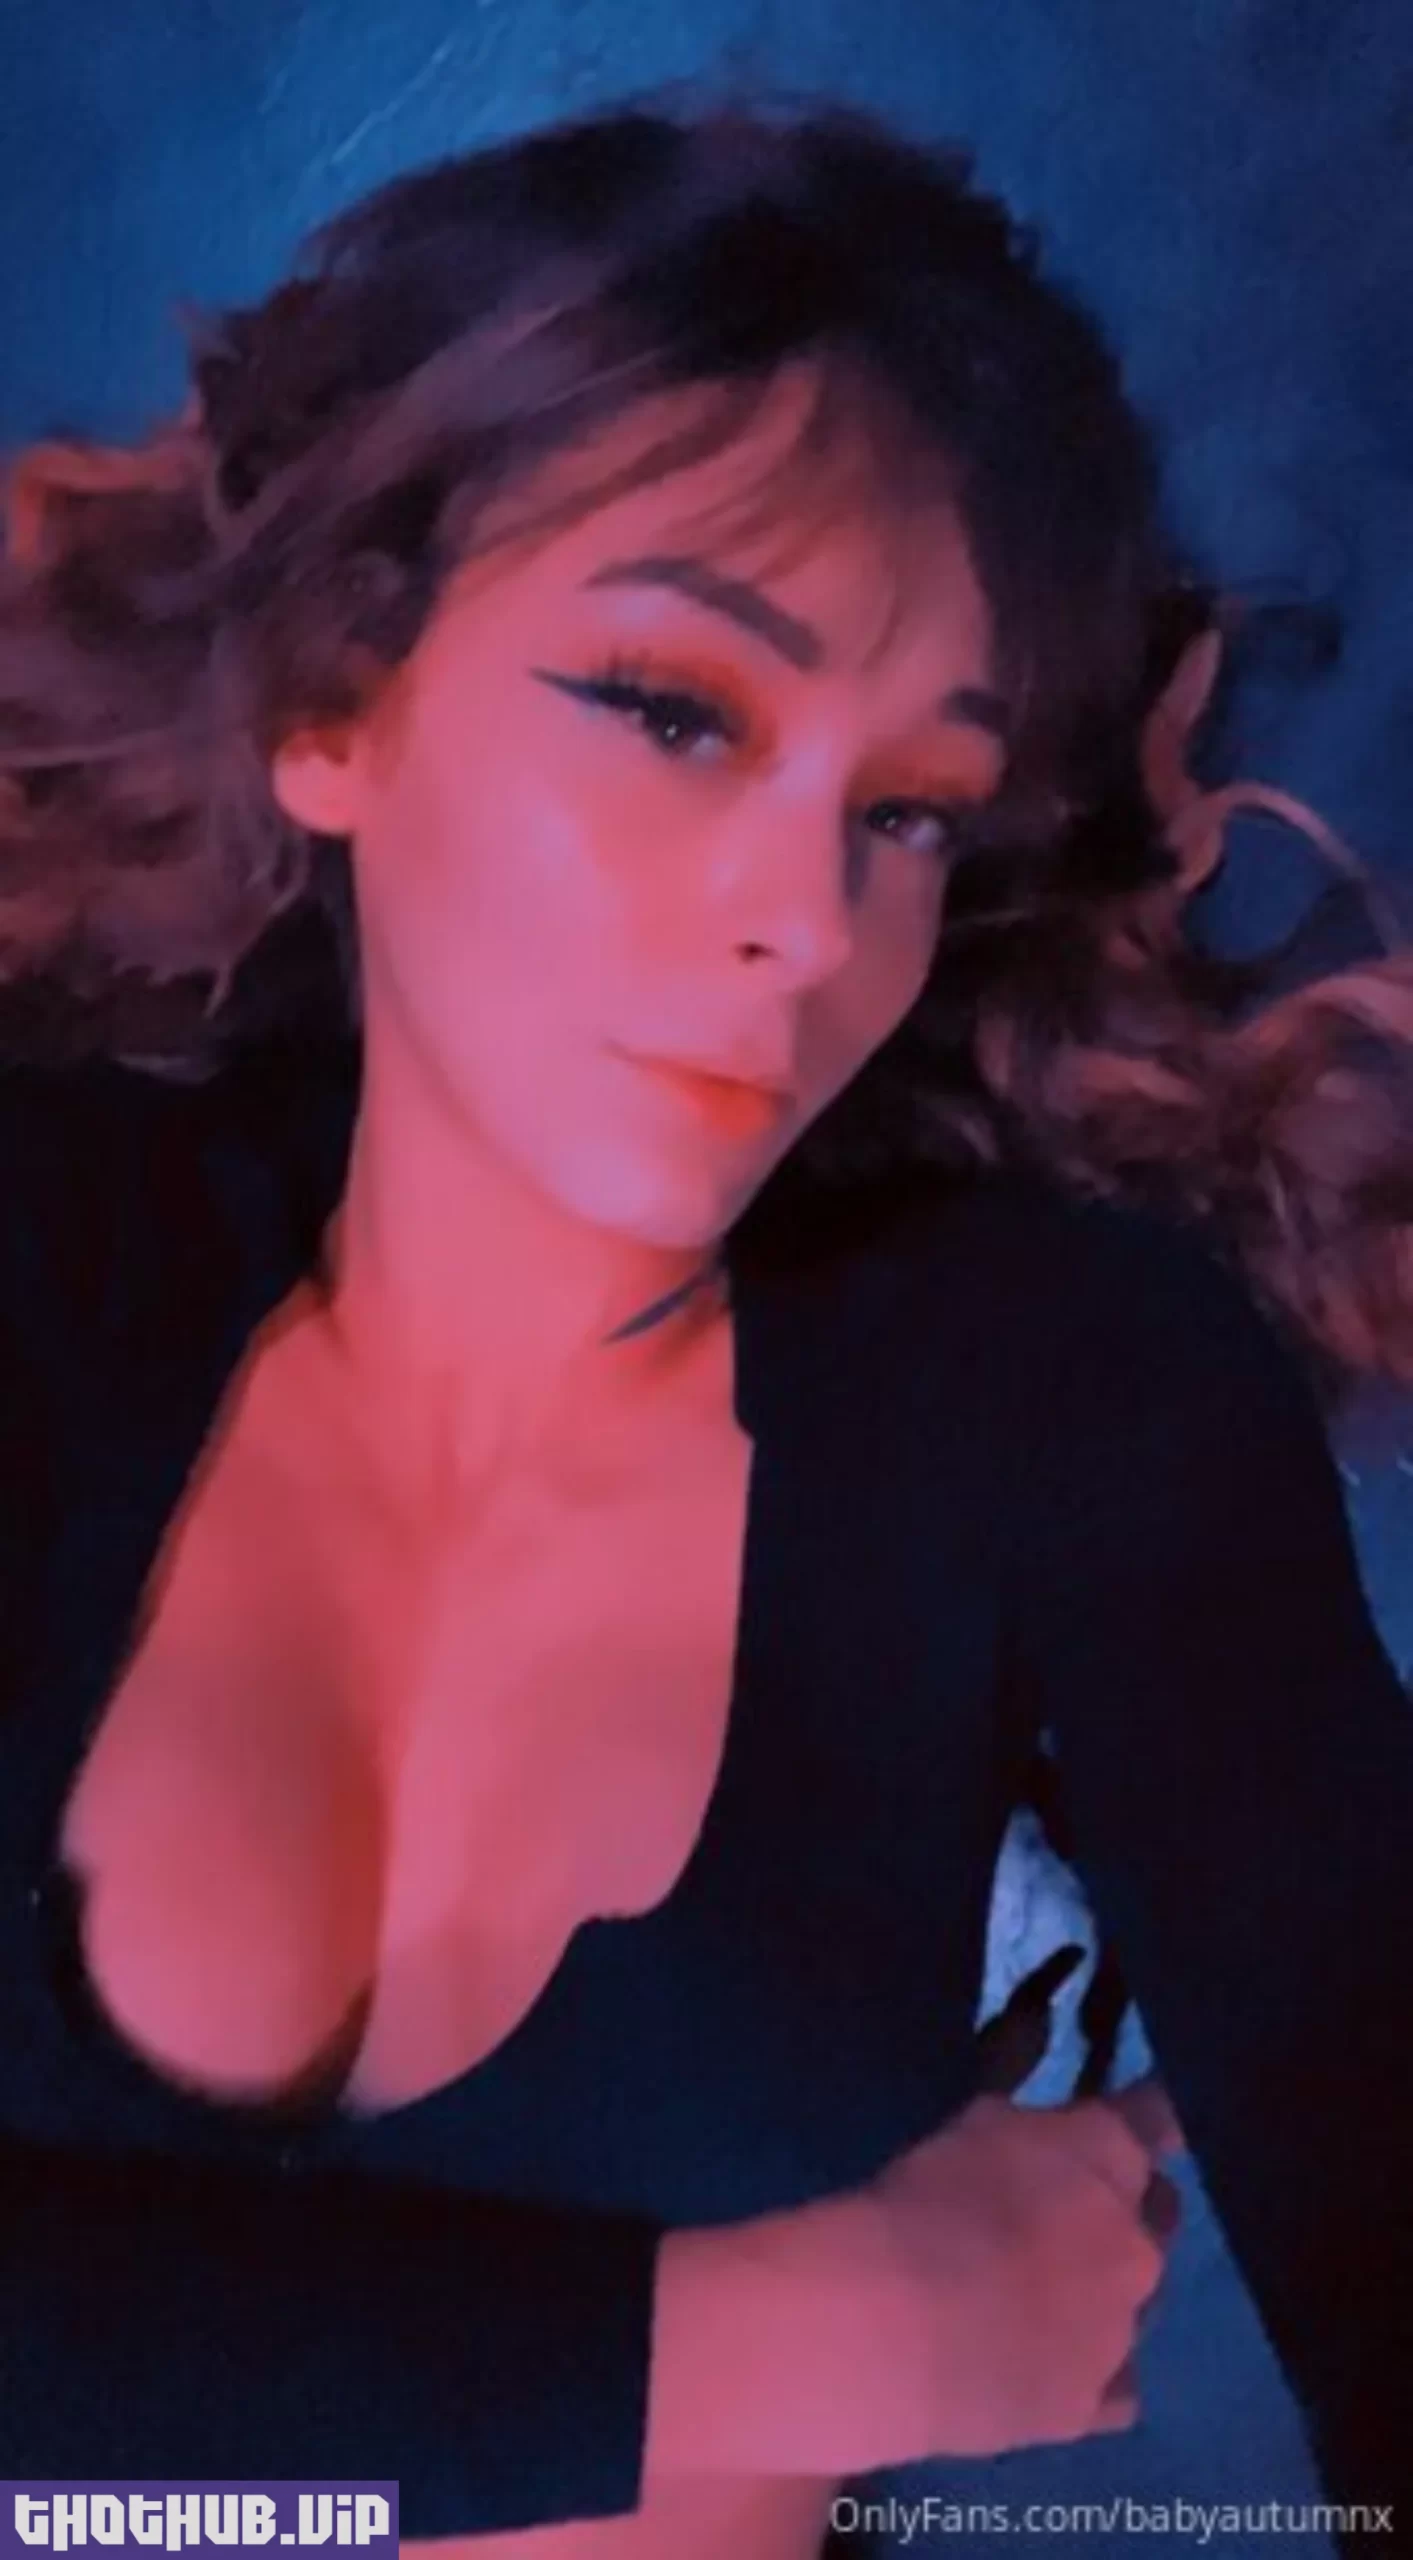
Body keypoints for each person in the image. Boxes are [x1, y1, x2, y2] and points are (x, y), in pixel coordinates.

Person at [0, 94, 1409, 2560]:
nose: (809, 920)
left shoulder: (1062, 1393)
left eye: (907, 811)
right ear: (335, 700)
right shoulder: (43, 1253)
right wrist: (768, 2335)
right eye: (674, 706)